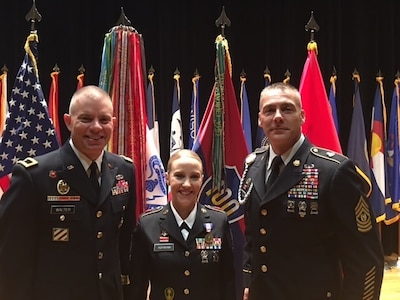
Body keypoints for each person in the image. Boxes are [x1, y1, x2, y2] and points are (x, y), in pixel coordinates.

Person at [238, 82, 384, 300]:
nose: (277, 116)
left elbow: (366, 259)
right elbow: (254, 237)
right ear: (260, 119)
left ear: (302, 116)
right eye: (269, 110)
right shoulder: (253, 166)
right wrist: (249, 281)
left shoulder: (333, 171)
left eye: (287, 109)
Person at [0, 85, 136, 300]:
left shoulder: (125, 170)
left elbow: (124, 246)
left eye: (104, 119)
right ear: (68, 121)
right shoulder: (34, 176)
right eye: (86, 119)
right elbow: (12, 260)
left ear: (114, 123)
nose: (96, 127)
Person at [131, 149, 236, 300]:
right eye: (179, 176)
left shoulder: (218, 221)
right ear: (167, 178)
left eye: (194, 177)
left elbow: (228, 282)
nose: (186, 184)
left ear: (202, 179)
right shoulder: (148, 224)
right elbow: (137, 286)